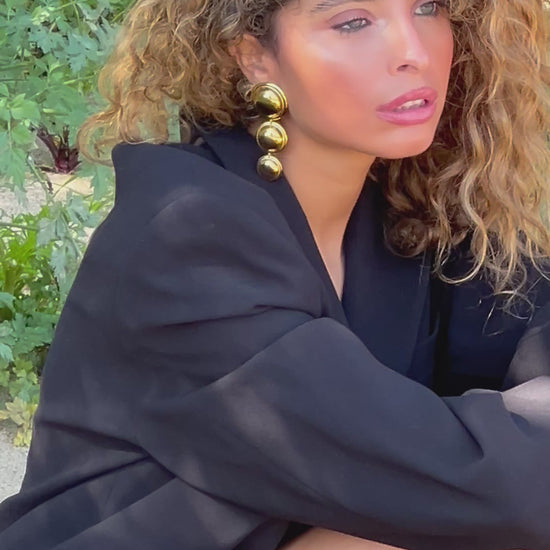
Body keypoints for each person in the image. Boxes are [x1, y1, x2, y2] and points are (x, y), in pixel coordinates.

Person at [1, 0, 550, 548]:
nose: (413, 52)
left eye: (427, 6)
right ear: (253, 56)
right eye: (353, 22)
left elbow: (530, 340)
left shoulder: (414, 212)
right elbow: (488, 489)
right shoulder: (186, 238)